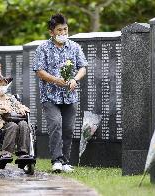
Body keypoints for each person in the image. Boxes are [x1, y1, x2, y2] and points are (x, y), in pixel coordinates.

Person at [33, 13, 87, 172]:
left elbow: (82, 67)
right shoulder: (43, 48)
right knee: (55, 125)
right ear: (51, 32)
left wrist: (75, 80)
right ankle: (56, 160)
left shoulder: (75, 47)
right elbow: (39, 71)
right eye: (59, 30)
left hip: (70, 96)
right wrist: (56, 80)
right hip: (50, 96)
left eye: (65, 29)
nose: (63, 33)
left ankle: (65, 162)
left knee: (69, 129)